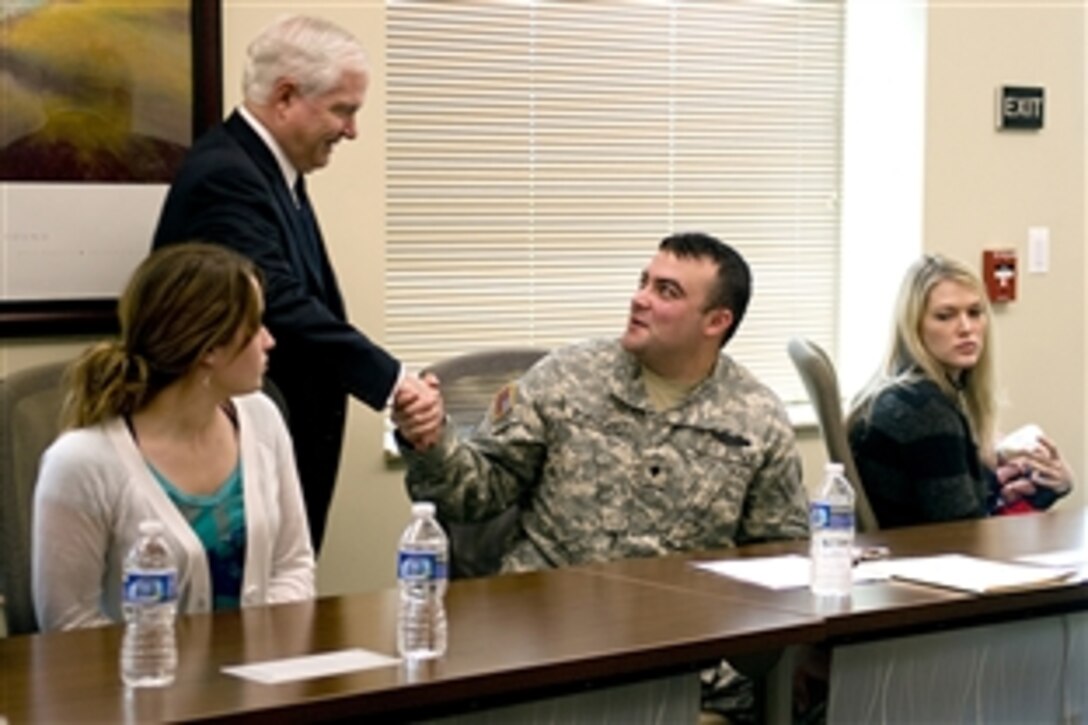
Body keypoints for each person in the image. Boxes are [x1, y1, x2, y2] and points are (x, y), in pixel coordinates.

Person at [152, 14, 441, 552]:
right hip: (234, 454)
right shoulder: (228, 176)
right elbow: (279, 303)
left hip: (282, 443)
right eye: (343, 110)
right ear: (285, 97)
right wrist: (394, 381)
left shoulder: (270, 170)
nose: (352, 130)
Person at [394, 232, 809, 572]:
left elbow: (778, 555)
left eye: (666, 291)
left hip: (684, 637)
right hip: (545, 620)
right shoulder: (566, 376)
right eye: (643, 282)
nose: (639, 299)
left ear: (716, 321)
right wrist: (430, 441)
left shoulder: (757, 419)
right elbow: (476, 493)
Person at [33, 243, 315, 632]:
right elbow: (69, 624)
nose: (269, 340)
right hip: (135, 685)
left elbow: (293, 565)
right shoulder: (81, 462)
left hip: (259, 683)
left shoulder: (261, 417)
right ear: (209, 349)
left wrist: (255, 659)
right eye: (256, 325)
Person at [847, 254, 1073, 529]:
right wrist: (1030, 494)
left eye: (975, 313)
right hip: (922, 563)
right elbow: (967, 534)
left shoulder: (902, 393)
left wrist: (1035, 486)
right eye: (945, 316)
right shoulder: (922, 409)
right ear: (913, 327)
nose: (966, 328)